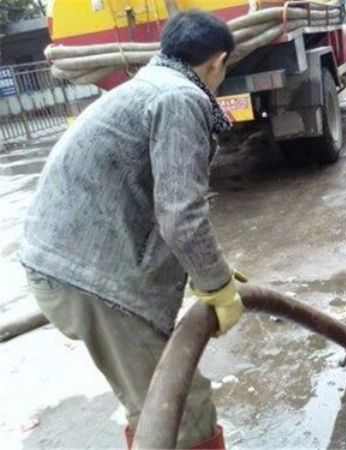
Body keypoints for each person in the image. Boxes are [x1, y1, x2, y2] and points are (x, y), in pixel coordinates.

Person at [21, 11, 242, 449]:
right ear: (217, 63)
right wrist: (218, 286)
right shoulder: (181, 98)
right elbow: (182, 215)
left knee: (156, 399)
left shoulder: (149, 86)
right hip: (91, 278)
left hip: (72, 265)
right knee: (181, 410)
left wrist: (216, 274)